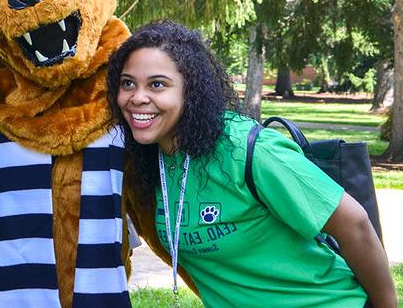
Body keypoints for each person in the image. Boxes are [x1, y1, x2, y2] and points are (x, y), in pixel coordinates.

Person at [107, 20, 397, 308]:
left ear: (190, 91)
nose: (138, 97)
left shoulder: (248, 150)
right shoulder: (146, 163)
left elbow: (354, 224)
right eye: (128, 83)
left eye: (157, 84)